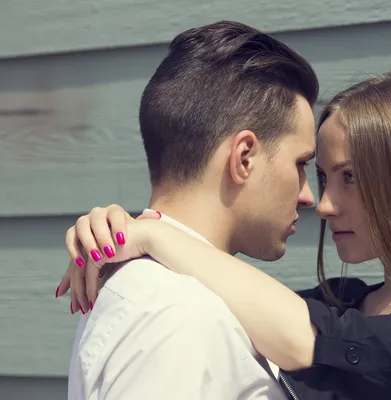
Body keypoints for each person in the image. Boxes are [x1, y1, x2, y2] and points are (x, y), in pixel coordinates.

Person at [57, 69, 391, 399]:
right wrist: (117, 230)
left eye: (350, 177)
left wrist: (156, 236)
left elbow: (305, 341)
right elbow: (229, 300)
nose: (323, 204)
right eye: (323, 178)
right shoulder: (341, 299)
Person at [57, 20, 320, 400]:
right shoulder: (179, 315)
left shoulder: (170, 298)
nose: (308, 195)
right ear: (244, 158)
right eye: (301, 165)